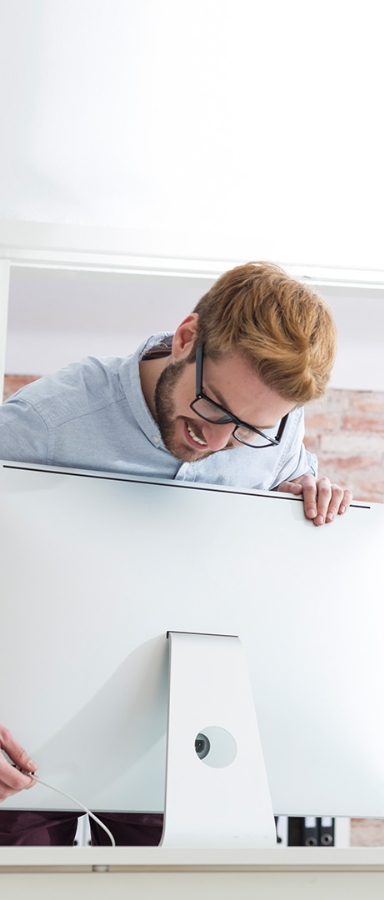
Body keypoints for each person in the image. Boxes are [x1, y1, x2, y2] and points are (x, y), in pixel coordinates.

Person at [0, 260, 351, 845]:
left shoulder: (275, 434)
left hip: (184, 737)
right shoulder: (46, 422)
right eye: (214, 407)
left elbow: (284, 491)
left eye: (247, 430)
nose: (217, 441)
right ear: (187, 337)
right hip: (34, 731)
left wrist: (307, 500)